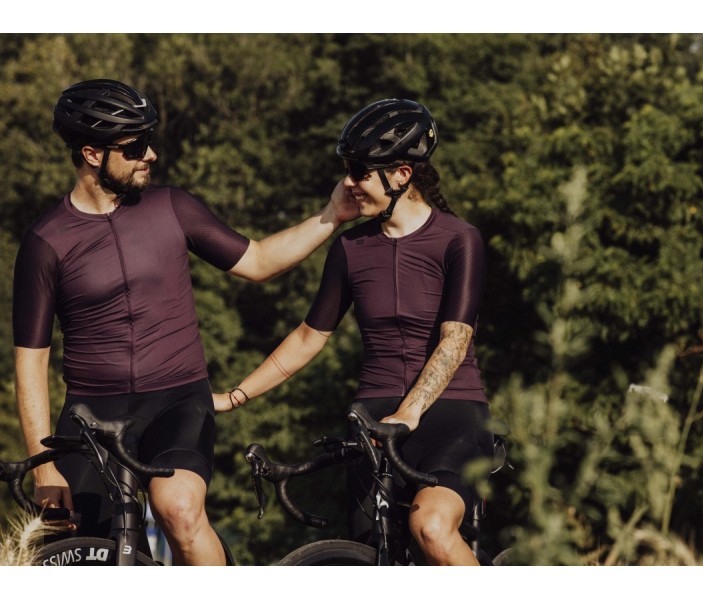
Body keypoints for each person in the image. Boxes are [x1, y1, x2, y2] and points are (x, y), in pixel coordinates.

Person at [12, 79, 358, 565]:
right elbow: (30, 363)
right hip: (91, 415)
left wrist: (332, 214)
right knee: (83, 554)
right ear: (91, 154)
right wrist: (44, 467)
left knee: (178, 509)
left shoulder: (172, 207)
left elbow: (259, 261)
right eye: (134, 148)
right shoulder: (46, 241)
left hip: (176, 401)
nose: (150, 155)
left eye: (149, 142)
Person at [213, 98, 494, 566]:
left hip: (450, 416)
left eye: (360, 171)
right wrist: (234, 396)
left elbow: (455, 340)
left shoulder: (458, 239)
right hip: (373, 422)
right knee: (373, 559)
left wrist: (408, 413)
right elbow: (309, 337)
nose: (348, 182)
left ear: (402, 174)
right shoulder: (350, 248)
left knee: (430, 527)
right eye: (347, 170)